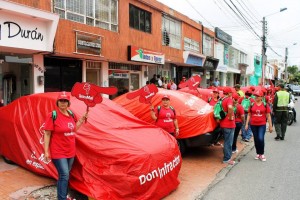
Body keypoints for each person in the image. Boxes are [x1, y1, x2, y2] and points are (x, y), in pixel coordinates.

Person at [43, 92, 88, 200]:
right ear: (57, 102)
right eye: (61, 101)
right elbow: (47, 133)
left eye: (65, 101)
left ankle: (64, 196)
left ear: (68, 103)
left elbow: (74, 129)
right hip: (58, 151)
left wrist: (81, 120)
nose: (63, 103)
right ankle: (62, 198)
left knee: (65, 176)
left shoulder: (71, 114)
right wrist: (46, 151)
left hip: (70, 151)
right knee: (64, 175)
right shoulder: (53, 115)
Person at [245, 90, 272, 161]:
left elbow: (268, 115)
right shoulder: (252, 104)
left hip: (262, 124)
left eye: (257, 96)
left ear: (261, 97)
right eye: (255, 96)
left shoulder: (265, 105)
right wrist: (247, 124)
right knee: (256, 139)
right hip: (253, 124)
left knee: (261, 138)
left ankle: (262, 153)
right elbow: (249, 114)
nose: (256, 97)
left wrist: (270, 126)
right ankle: (258, 153)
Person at [219, 87, 235, 165]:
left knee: (226, 141)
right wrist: (230, 116)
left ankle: (227, 157)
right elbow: (230, 107)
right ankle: (227, 159)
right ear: (228, 93)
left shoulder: (221, 99)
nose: (232, 94)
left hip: (223, 123)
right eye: (231, 92)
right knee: (228, 142)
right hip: (229, 124)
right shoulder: (229, 99)